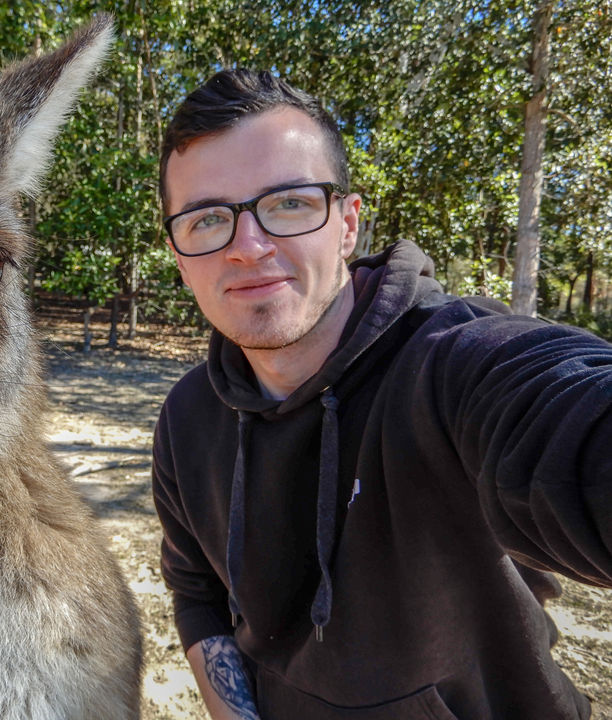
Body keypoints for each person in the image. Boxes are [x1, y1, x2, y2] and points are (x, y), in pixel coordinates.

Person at [151, 68, 612, 720]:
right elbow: (197, 591)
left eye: (288, 203)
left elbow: (568, 424)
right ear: (179, 254)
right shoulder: (186, 418)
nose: (248, 248)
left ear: (346, 224)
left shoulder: (452, 363)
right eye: (206, 219)